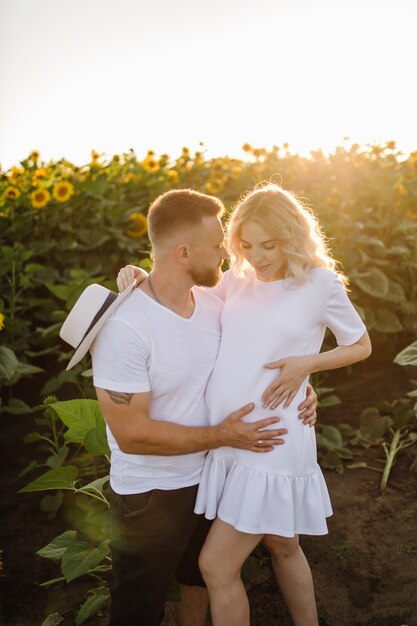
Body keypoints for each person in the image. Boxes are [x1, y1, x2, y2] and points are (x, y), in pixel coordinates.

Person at [120, 183, 371, 626]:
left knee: (215, 565)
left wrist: (305, 367)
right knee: (282, 544)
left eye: (269, 245)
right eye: (246, 245)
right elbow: (185, 291)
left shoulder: (320, 283)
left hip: (271, 438)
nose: (257, 256)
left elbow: (360, 345)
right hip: (231, 440)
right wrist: (140, 276)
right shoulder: (237, 280)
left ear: (293, 235)